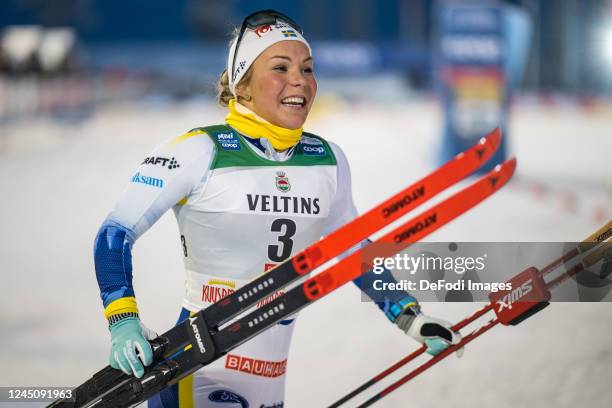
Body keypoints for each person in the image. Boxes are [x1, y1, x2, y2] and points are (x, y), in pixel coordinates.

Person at [93, 9, 462, 408]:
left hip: (270, 381)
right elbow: (114, 234)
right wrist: (122, 319)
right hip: (195, 373)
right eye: (280, 67)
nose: (299, 80)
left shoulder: (327, 159)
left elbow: (354, 250)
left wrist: (409, 316)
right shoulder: (200, 150)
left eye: (307, 68)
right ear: (243, 84)